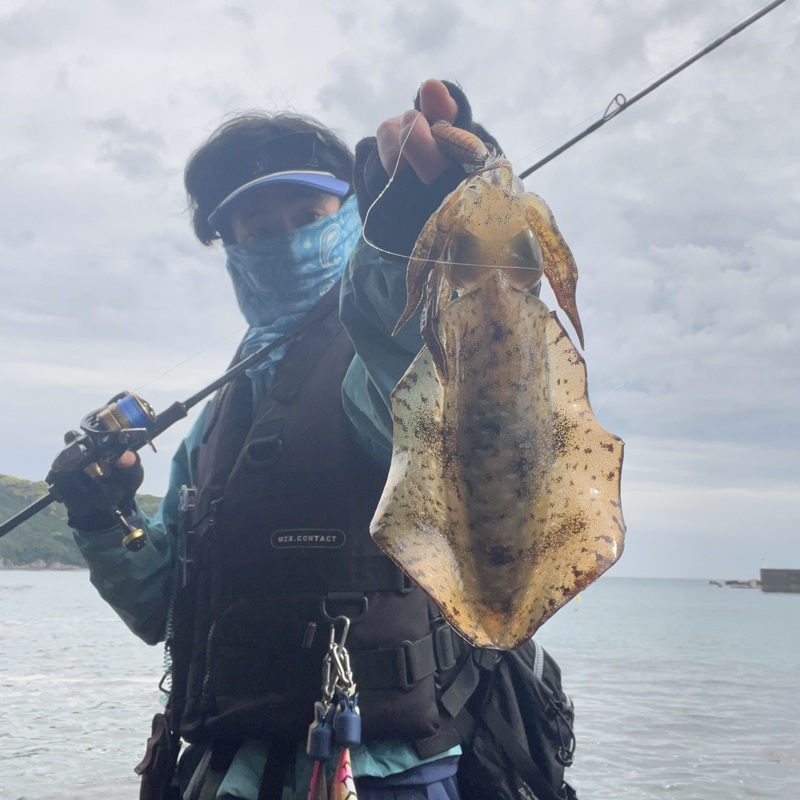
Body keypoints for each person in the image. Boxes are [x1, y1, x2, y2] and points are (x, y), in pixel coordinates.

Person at [52, 80, 505, 800]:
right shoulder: (219, 416)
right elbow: (160, 606)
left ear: (354, 216)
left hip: (382, 772)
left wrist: (418, 248)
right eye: (258, 230)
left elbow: (414, 406)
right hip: (225, 768)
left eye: (307, 215)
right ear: (229, 248)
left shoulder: (385, 352)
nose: (285, 240)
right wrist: (104, 516)